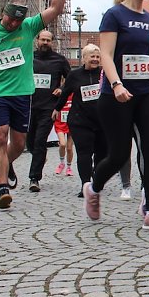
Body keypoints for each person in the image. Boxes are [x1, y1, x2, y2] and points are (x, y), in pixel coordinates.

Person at [83, 0, 149, 232]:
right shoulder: (114, 15)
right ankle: (94, 188)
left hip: (147, 92)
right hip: (116, 94)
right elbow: (107, 54)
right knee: (119, 154)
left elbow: (147, 54)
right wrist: (117, 83)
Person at [0, 0, 69, 210]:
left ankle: (4, 166)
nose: (13, 25)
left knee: (19, 143)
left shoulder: (29, 27)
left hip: (22, 93)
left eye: (17, 22)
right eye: (10, 21)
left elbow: (56, 8)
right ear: (3, 15)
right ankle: (2, 188)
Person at [55, 44, 104, 197]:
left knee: (102, 153)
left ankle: (97, 180)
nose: (95, 60)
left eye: (97, 57)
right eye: (92, 57)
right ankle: (86, 185)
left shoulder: (105, 73)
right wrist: (57, 108)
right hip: (80, 121)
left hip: (102, 121)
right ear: (84, 58)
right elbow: (65, 93)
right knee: (84, 153)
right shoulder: (74, 75)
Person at [27, 29, 70, 192]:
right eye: (42, 40)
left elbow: (70, 79)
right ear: (37, 40)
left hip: (49, 108)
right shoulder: (30, 57)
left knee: (39, 141)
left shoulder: (59, 60)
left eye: (48, 40)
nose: (45, 43)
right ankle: (40, 156)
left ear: (53, 42)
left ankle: (34, 178)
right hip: (29, 105)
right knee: (30, 142)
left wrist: (61, 88)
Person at [52, 94, 74, 177]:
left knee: (69, 148)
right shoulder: (59, 93)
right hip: (60, 123)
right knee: (62, 143)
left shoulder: (74, 93)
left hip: (71, 123)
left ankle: (69, 167)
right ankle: (62, 163)